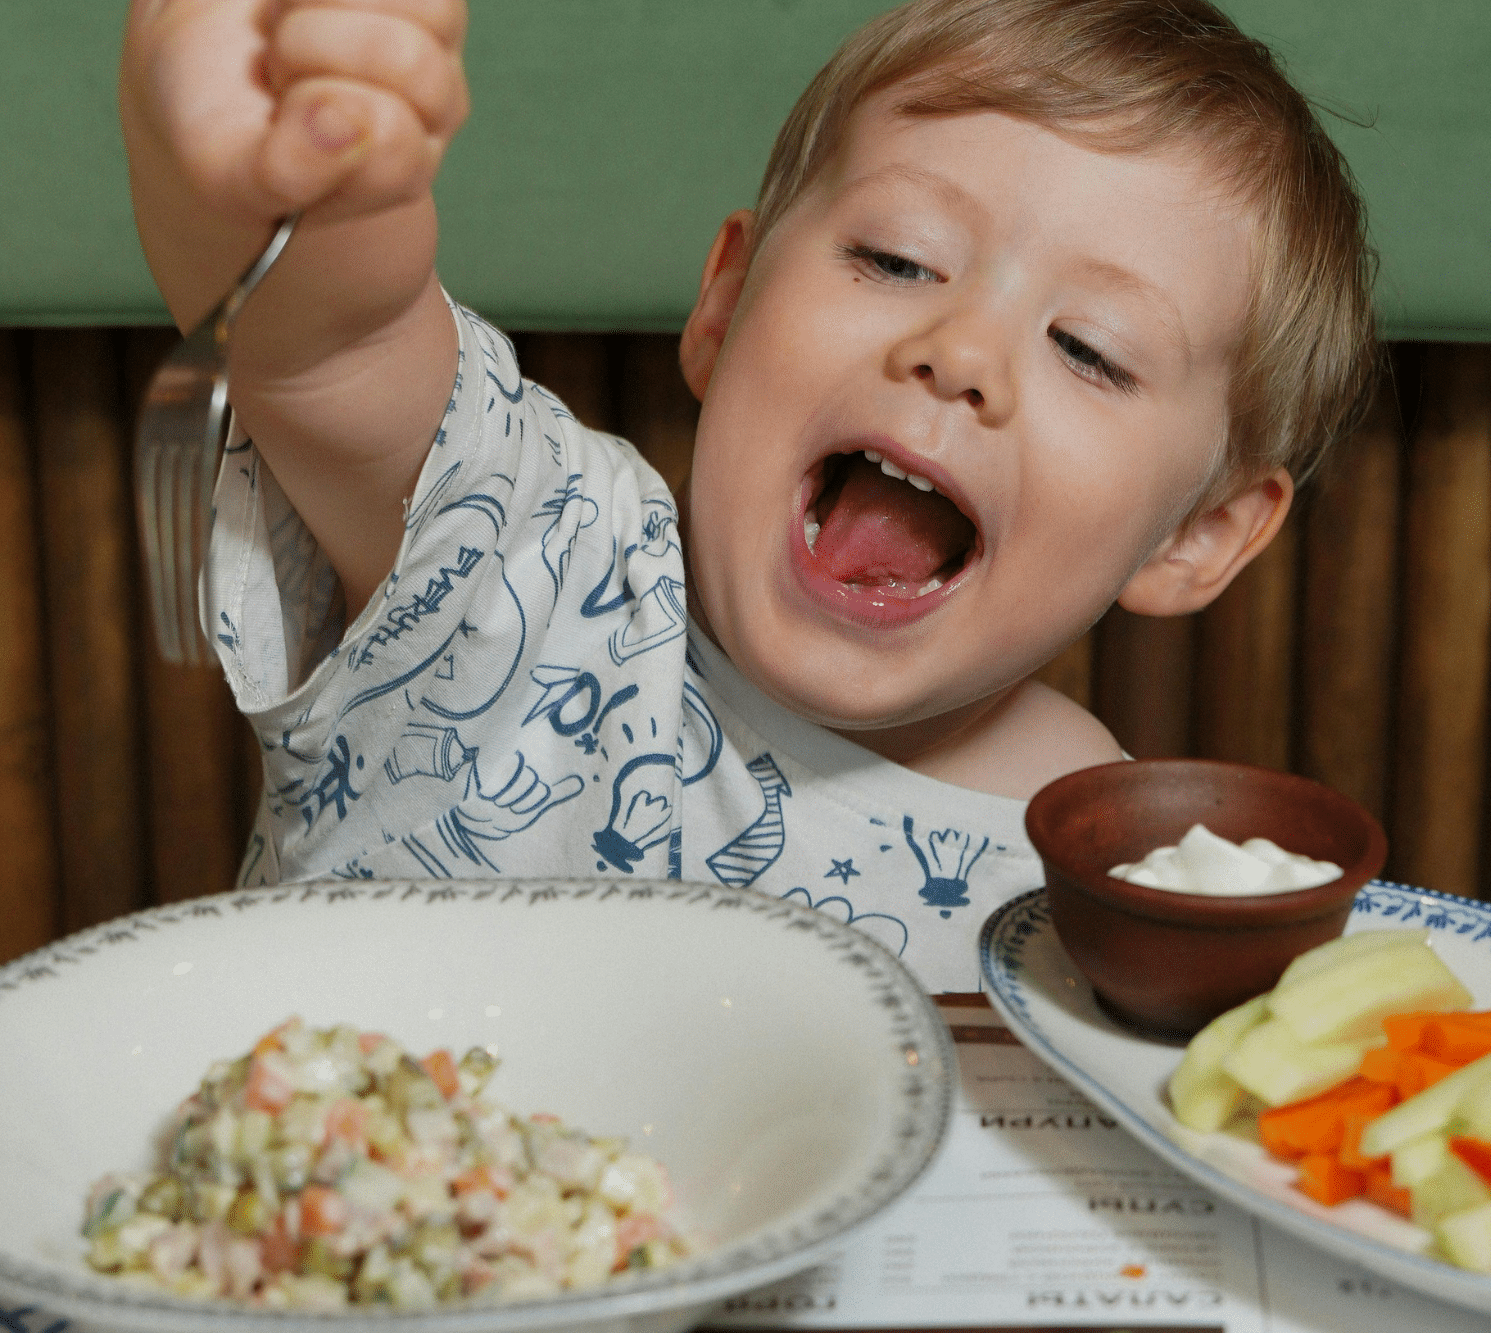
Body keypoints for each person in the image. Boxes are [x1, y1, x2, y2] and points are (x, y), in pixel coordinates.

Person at [119, 0, 1376, 992]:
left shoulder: (1113, 881)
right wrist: (282, 173)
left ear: (1196, 534)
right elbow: (334, 344)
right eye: (896, 257)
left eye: (1088, 347)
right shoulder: (533, 559)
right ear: (724, 304)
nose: (961, 355)